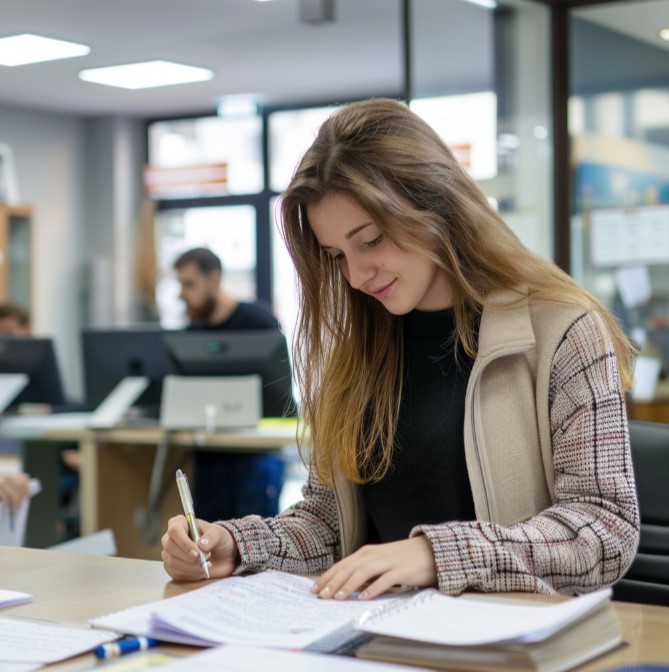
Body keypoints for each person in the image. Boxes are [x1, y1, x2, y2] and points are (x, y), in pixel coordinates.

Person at [162, 98, 640, 601]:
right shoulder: (356, 352)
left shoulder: (562, 330)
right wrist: (237, 546)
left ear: (435, 202)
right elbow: (329, 526)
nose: (355, 275)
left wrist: (435, 554)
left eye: (369, 240)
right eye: (337, 255)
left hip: (511, 642)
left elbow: (605, 530)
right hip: (379, 638)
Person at [173, 247, 289, 521]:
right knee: (209, 544)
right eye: (179, 285)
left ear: (214, 279)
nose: (182, 294)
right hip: (208, 457)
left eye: (189, 284)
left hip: (255, 455)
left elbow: (279, 390)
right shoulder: (191, 334)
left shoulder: (258, 322)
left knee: (256, 547)